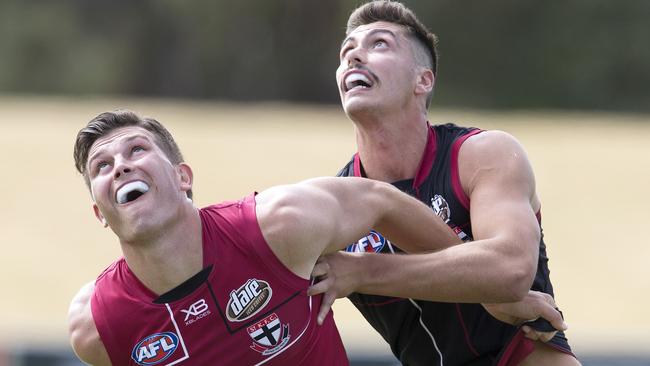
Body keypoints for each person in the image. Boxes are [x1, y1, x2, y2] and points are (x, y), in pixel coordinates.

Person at [67, 109, 503, 365]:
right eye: (101, 167)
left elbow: (378, 200)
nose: (120, 166)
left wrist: (489, 286)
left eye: (136, 150)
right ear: (99, 213)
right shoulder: (96, 326)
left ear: (183, 177)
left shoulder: (277, 224)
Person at [308, 1, 581, 365]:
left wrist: (361, 272)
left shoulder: (483, 153)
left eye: (379, 44)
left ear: (423, 80)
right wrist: (493, 297)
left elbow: (510, 269)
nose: (355, 56)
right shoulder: (339, 204)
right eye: (347, 51)